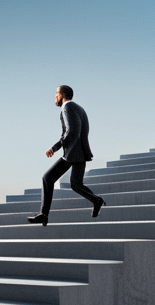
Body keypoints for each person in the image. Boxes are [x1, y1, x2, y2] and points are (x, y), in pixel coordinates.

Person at [28, 85, 105, 226]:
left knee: (47, 178)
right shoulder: (80, 108)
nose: (55, 97)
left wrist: (56, 148)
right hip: (81, 151)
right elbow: (76, 131)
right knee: (76, 184)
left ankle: (44, 215)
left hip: (72, 152)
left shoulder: (67, 107)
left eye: (56, 93)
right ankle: (96, 200)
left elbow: (71, 132)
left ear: (63, 94)